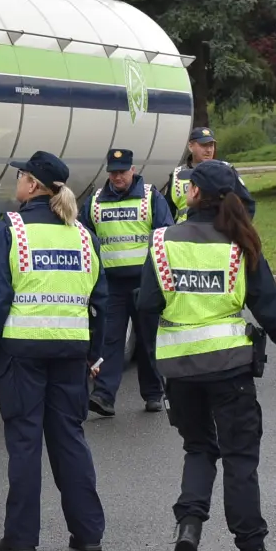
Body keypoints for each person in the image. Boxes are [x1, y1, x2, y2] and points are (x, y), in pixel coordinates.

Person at [136, 160, 276, 551]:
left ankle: (189, 529)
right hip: (230, 371)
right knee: (239, 459)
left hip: (180, 372)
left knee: (199, 449)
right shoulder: (239, 243)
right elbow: (273, 308)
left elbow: (146, 306)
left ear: (196, 194)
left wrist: (159, 359)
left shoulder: (163, 242)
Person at [0, 151, 109, 551]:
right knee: (70, 440)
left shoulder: (11, 229)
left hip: (22, 354)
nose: (16, 181)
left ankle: (22, 539)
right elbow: (99, 301)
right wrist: (93, 354)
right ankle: (88, 534)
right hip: (71, 353)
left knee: (26, 444)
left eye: (20, 176)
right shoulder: (82, 234)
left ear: (32, 185)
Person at [80, 148, 174, 416]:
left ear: (133, 170)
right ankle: (103, 396)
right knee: (109, 339)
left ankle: (154, 393)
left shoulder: (150, 197)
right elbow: (84, 236)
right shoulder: (96, 200)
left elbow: (163, 236)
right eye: (113, 172)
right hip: (111, 283)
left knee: (148, 338)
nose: (117, 177)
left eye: (122, 172)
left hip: (145, 282)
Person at [164, 127, 254, 223]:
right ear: (190, 146)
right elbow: (167, 212)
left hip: (218, 232)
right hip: (183, 234)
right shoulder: (177, 175)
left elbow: (247, 205)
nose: (209, 150)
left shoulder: (226, 171)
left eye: (211, 145)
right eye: (204, 145)